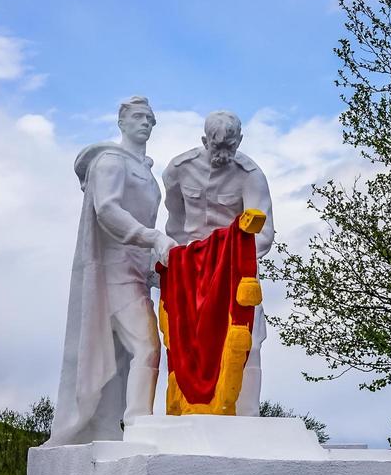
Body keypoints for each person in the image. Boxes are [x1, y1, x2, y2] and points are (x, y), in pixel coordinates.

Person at [47, 96, 175, 446]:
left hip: (136, 275)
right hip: (113, 273)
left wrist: (155, 267)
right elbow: (107, 210)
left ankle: (117, 426)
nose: (145, 122)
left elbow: (145, 222)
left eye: (150, 117)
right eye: (137, 116)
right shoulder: (110, 162)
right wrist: (153, 238)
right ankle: (137, 425)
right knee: (147, 346)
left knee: (123, 359)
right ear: (121, 122)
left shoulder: (148, 173)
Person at [162, 110, 274, 416]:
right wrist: (182, 258)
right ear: (203, 141)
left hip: (233, 272)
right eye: (216, 147)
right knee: (185, 345)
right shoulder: (178, 170)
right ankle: (190, 411)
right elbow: (175, 222)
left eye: (229, 148)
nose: (223, 154)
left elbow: (263, 234)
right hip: (189, 273)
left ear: (239, 142)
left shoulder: (250, 175)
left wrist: (225, 254)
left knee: (248, 342)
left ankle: (245, 416)